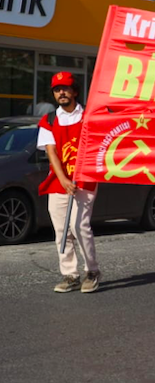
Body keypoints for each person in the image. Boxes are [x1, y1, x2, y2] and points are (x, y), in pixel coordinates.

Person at [37, 72, 100, 293]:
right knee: (61, 229)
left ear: (74, 91)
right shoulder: (50, 120)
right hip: (59, 180)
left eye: (65, 88)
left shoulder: (89, 116)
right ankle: (70, 275)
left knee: (78, 226)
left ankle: (92, 271)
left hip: (84, 179)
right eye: (57, 89)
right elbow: (51, 151)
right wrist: (63, 179)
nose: (61, 92)